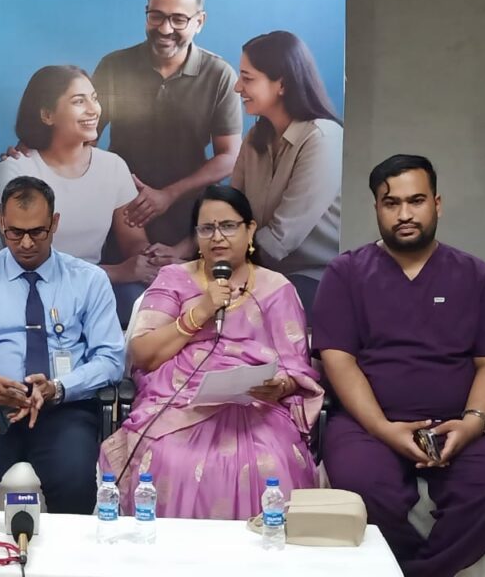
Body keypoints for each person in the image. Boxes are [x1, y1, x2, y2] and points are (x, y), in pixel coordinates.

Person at [312, 155, 485, 577]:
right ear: (376, 208)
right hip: (368, 424)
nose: (404, 214)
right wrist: (381, 428)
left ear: (437, 204)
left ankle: (415, 571)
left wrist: (473, 423)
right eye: (391, 203)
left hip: (458, 421)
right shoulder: (345, 273)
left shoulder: (475, 274)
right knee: (363, 487)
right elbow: (339, 360)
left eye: (416, 200)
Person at [99, 185, 322, 519]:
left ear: (250, 230)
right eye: (206, 228)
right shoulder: (173, 279)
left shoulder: (277, 289)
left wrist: (280, 386)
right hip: (178, 402)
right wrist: (200, 311)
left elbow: (295, 367)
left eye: (228, 226)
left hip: (256, 408)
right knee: (170, 458)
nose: (217, 237)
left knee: (273, 461)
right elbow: (143, 353)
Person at [0, 176, 124, 514]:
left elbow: (110, 359)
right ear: (1, 223)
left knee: (74, 483)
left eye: (37, 232)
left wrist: (59, 387)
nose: (25, 243)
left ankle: (61, 552)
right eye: (15, 232)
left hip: (61, 408)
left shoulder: (88, 280)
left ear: (55, 223)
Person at [0, 65, 175, 326]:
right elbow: (27, 258)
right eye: (79, 101)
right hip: (26, 289)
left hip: (88, 288)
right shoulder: (17, 170)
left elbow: (133, 240)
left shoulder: (113, 166)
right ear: (47, 115)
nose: (94, 109)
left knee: (146, 304)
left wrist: (148, 258)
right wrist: (117, 272)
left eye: (94, 98)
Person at [92, 0, 242, 248]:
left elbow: (229, 156)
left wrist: (169, 194)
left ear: (199, 22)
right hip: (120, 212)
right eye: (156, 16)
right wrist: (34, 151)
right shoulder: (113, 66)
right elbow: (83, 136)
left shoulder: (219, 74)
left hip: (188, 222)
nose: (164, 29)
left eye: (178, 19)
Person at [230, 30, 343, 312]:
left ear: (282, 84)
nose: (237, 87)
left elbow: (280, 239)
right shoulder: (255, 138)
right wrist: (190, 256)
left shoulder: (322, 138)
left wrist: (218, 266)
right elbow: (229, 212)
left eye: (247, 78)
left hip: (316, 278)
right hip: (262, 272)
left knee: (240, 309)